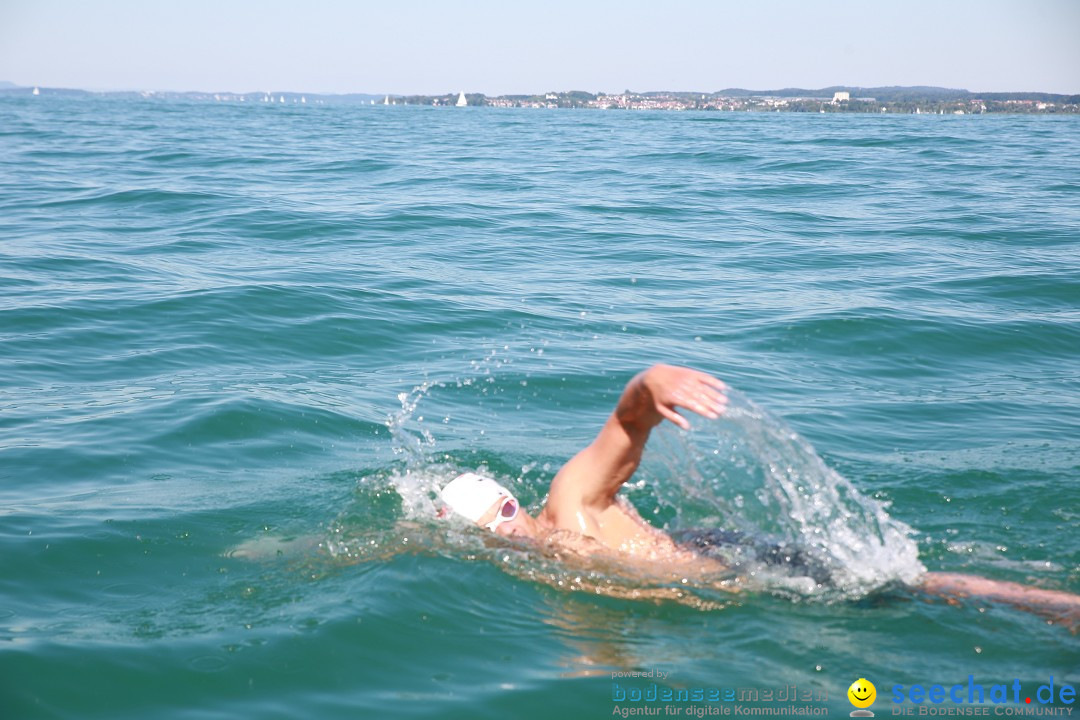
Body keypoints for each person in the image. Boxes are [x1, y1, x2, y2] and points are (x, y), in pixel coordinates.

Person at [439, 364, 1080, 625]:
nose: (509, 527)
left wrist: (652, 381)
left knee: (903, 585)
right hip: (717, 573)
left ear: (514, 501)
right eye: (491, 528)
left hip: (739, 561)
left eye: (505, 510)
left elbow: (626, 425)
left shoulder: (571, 501)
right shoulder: (540, 565)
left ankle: (1058, 605)